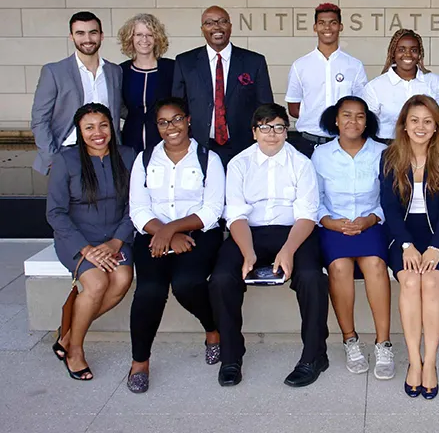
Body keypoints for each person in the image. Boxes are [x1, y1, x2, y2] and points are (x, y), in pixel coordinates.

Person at [208, 104, 329, 388]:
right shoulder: (239, 163)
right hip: (249, 233)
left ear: (287, 131)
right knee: (222, 279)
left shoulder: (302, 163)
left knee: (312, 278)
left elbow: (306, 215)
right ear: (254, 132)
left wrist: (287, 251)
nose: (271, 134)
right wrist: (248, 253)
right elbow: (235, 214)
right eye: (264, 127)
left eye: (278, 127)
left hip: (294, 232)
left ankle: (314, 356)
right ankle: (231, 357)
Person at [126, 97, 226, 393]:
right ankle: (139, 362)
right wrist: (164, 232)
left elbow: (212, 210)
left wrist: (174, 229)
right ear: (157, 126)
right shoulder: (145, 159)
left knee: (188, 283)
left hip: (198, 234)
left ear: (189, 120)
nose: (171, 127)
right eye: (163, 122)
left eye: (177, 119)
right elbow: (138, 209)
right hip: (152, 235)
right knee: (150, 291)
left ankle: (212, 330)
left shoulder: (208, 158)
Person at [47, 103, 136, 381]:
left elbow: (136, 206)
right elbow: (55, 212)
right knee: (96, 283)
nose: (98, 133)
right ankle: (75, 350)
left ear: (112, 126)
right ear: (80, 131)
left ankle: (69, 334)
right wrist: (86, 249)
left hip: (116, 238)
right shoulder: (66, 160)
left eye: (103, 125)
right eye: (89, 127)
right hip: (77, 238)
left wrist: (116, 241)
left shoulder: (128, 155)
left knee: (122, 280)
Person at [380, 94, 439, 399]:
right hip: (402, 236)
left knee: (431, 281)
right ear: (403, 125)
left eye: (428, 121)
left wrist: (437, 247)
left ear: (437, 126)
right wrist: (406, 244)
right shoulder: (390, 156)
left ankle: (431, 362)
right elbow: (388, 205)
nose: (421, 126)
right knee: (411, 281)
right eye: (414, 120)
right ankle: (415, 361)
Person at [310, 96, 394, 380]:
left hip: (372, 224)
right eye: (346, 115)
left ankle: (383, 343)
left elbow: (391, 198)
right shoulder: (321, 155)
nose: (353, 122)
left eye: (360, 116)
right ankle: (350, 340)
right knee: (339, 267)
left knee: (375, 265)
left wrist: (371, 218)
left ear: (367, 121)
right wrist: (329, 222)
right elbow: (314, 199)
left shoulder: (382, 152)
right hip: (334, 226)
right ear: (336, 119)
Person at [172, 5, 274, 166]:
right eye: (209, 23)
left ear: (230, 27)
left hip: (243, 146)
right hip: (199, 145)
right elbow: (178, 107)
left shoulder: (254, 61)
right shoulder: (185, 62)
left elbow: (265, 106)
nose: (217, 27)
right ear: (202, 29)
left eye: (222, 21)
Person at [31, 11, 123, 175]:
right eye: (80, 33)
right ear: (71, 37)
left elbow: (121, 109)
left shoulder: (115, 71)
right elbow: (40, 119)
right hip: (67, 152)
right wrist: (52, 158)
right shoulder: (54, 72)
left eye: (92, 32)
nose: (87, 39)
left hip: (107, 153)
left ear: (101, 36)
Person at [286, 3, 368, 157]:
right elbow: (294, 108)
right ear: (315, 27)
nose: (327, 28)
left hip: (343, 142)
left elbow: (361, 105)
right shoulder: (300, 65)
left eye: (333, 23)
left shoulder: (354, 65)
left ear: (341, 26)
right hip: (308, 143)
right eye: (322, 23)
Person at [363, 29, 439, 141]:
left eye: (414, 50)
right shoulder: (375, 86)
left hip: (426, 146)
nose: (408, 54)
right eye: (401, 49)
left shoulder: (435, 82)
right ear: (393, 53)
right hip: (387, 146)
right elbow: (369, 126)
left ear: (420, 54)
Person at [117, 13, 175, 153]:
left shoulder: (171, 68)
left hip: (164, 140)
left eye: (150, 35)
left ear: (157, 38)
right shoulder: (121, 70)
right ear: (131, 38)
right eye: (139, 34)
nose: (144, 39)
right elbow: (119, 105)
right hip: (131, 139)